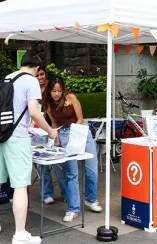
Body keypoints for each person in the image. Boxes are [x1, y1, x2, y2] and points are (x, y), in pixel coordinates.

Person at [0, 53, 59, 244]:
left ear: (22, 64)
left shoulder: (7, 77)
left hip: (0, 136)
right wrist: (50, 131)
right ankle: (20, 234)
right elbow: (34, 112)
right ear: (37, 69)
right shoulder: (30, 82)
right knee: (21, 186)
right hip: (18, 138)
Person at [43, 76, 102, 222]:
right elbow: (55, 123)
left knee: (92, 169)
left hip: (80, 132)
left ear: (63, 90)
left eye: (59, 90)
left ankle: (91, 199)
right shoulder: (49, 105)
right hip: (63, 135)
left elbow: (81, 118)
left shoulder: (71, 98)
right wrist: (57, 141)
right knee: (71, 173)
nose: (56, 94)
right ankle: (73, 208)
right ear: (49, 91)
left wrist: (74, 132)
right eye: (53, 91)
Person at [35, 65, 66, 205]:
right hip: (38, 130)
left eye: (42, 74)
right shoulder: (31, 88)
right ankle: (46, 193)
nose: (40, 77)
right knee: (42, 165)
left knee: (59, 164)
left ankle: (66, 192)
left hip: (53, 129)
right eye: (37, 75)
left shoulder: (52, 87)